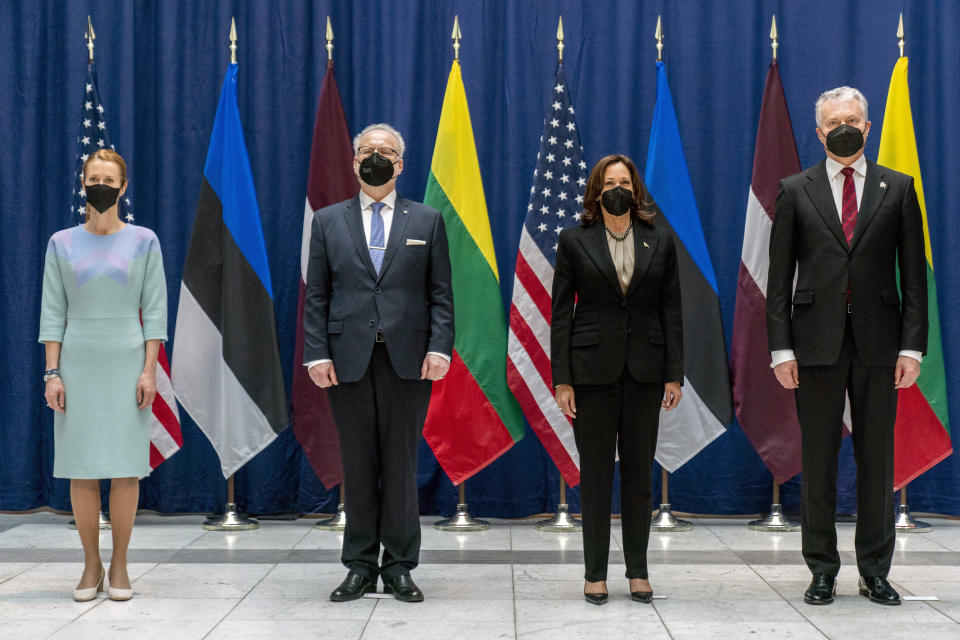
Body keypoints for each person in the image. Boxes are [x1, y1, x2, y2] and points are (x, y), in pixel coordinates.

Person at [767, 87, 927, 606]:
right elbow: (778, 279)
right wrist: (781, 350)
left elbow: (915, 280)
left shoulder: (898, 189)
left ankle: (876, 570)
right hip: (813, 345)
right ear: (819, 132)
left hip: (881, 347)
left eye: (853, 119)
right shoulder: (795, 190)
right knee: (818, 458)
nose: (845, 127)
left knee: (876, 458)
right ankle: (822, 569)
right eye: (835, 120)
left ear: (868, 126)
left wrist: (913, 348)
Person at [303, 123, 454, 603]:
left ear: (401, 163)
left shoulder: (427, 220)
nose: (376, 157)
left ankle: (401, 566)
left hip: (408, 361)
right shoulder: (327, 221)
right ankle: (360, 566)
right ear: (353, 161)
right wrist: (316, 353)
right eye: (367, 150)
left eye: (386, 151)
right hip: (347, 360)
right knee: (359, 465)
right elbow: (317, 296)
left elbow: (441, 295)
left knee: (401, 465)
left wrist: (440, 346)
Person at [552, 154, 683, 605]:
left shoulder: (659, 240)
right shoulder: (573, 240)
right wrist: (562, 378)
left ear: (636, 189)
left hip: (646, 372)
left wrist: (673, 374)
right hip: (589, 373)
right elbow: (559, 315)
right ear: (596, 191)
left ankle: (639, 570)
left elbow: (672, 311)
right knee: (594, 477)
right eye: (609, 182)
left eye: (624, 181)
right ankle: (594, 573)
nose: (617, 189)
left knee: (638, 476)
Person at [39, 149, 167, 602]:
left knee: (126, 471)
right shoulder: (61, 242)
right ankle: (90, 562)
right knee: (82, 470)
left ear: (123, 186)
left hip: (128, 363)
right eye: (93, 177)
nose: (101, 184)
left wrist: (149, 370)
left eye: (109, 178)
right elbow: (53, 312)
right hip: (77, 364)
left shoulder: (144, 240)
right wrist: (52, 372)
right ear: (82, 183)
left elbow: (154, 312)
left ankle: (119, 564)